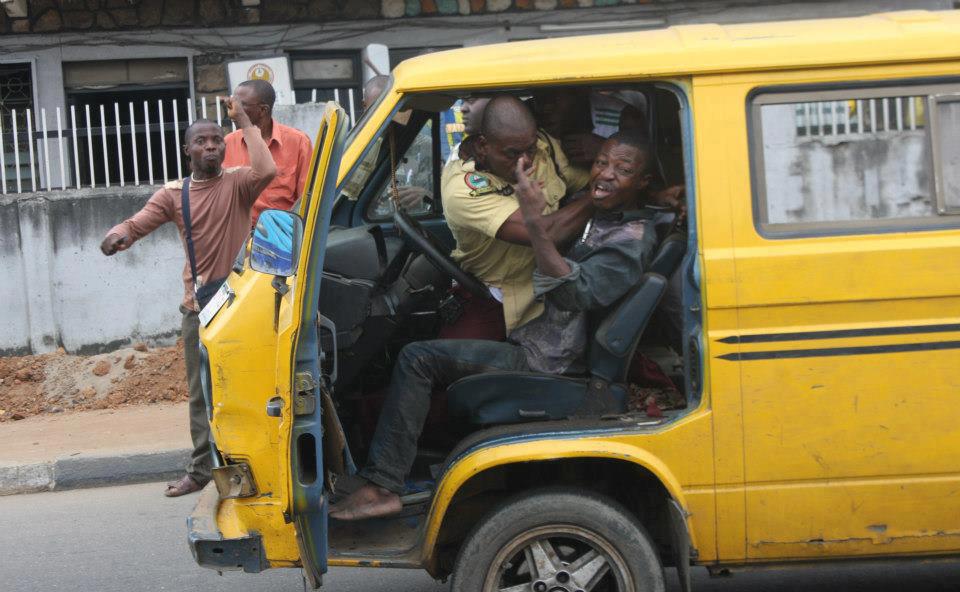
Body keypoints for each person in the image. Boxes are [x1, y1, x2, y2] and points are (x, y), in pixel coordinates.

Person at [330, 131, 657, 520]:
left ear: (643, 182)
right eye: (601, 163)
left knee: (418, 359)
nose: (605, 174)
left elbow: (574, 293)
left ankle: (383, 485)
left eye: (622, 170)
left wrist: (536, 224)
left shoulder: (630, 238)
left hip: (550, 363)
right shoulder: (604, 217)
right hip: (538, 342)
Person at [100, 99, 276, 497]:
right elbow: (137, 222)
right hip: (199, 309)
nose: (211, 146)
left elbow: (268, 170)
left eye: (217, 139)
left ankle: (253, 466)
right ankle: (200, 471)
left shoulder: (239, 182)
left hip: (242, 307)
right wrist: (119, 236)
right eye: (202, 141)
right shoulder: (173, 194)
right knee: (202, 394)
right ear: (187, 150)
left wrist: (244, 121)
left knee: (247, 387)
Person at [440, 95, 591, 338]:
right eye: (512, 153)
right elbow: (545, 233)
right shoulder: (464, 189)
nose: (526, 160)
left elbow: (587, 178)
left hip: (555, 288)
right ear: (482, 146)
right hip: (498, 297)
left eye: (530, 149)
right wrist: (598, 198)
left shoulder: (543, 148)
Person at [223, 79, 311, 225]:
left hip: (282, 234)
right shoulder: (228, 143)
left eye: (241, 105)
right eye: (233, 102)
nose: (233, 109)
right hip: (239, 234)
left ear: (263, 110)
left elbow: (307, 199)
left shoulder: (299, 142)